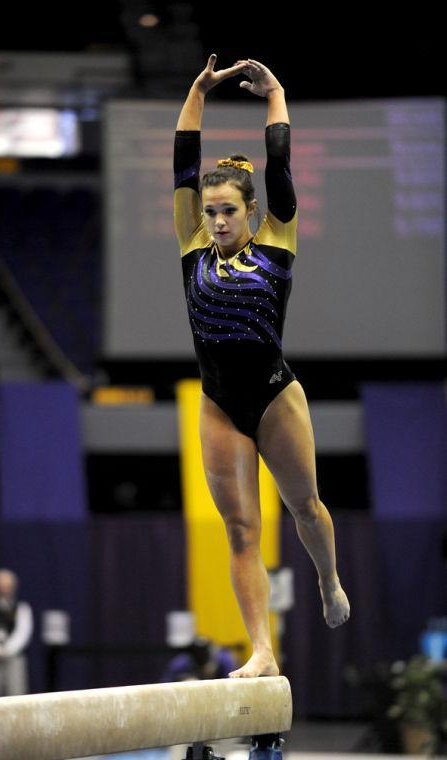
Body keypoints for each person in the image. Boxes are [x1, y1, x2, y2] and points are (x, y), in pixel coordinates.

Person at [173, 54, 350, 678]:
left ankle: (328, 581)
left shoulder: (278, 241)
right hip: (220, 402)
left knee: (307, 509)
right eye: (210, 210)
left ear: (249, 211)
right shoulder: (192, 245)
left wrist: (275, 92)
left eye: (228, 210)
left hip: (275, 395)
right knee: (241, 531)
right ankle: (263, 652)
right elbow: (183, 159)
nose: (217, 220)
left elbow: (279, 160)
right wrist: (198, 92)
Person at [0, 568, 33, 697]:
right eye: (2, 586)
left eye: (8, 586)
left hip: (13, 658)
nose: (5, 589)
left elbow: (23, 633)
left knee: (17, 695)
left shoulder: (21, 607)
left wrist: (8, 650)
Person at [162, 635, 240, 682]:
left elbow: (232, 684)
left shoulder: (225, 659)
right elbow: (166, 684)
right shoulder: (180, 663)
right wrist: (182, 681)